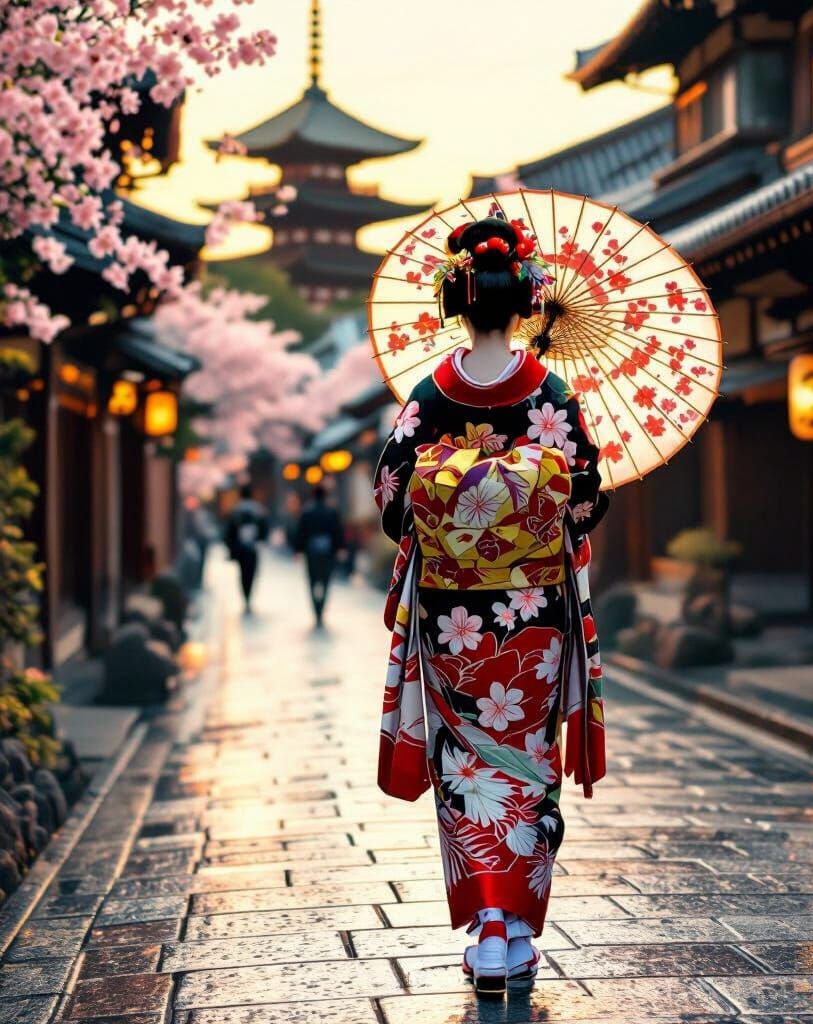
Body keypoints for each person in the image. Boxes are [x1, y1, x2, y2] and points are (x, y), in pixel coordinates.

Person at [373, 216, 609, 996]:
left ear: (455, 301)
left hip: (452, 613)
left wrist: (459, 502)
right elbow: (587, 495)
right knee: (526, 760)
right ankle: (515, 930)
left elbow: (391, 497)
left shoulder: (430, 393)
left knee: (465, 761)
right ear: (527, 305)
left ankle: (485, 929)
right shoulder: (549, 390)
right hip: (533, 611)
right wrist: (522, 500)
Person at [292, 484, 346, 627]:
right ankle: (321, 608)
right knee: (326, 580)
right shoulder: (331, 511)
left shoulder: (307, 512)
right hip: (328, 551)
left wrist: (298, 550)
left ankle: (316, 609)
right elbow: (337, 531)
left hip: (311, 552)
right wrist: (340, 548)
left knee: (312, 580)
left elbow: (301, 532)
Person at [224, 484, 269, 614]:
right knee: (252, 572)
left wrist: (230, 547)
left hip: (240, 547)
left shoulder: (236, 510)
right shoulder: (258, 510)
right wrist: (261, 540)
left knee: (242, 573)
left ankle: (245, 596)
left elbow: (230, 531)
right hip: (253, 546)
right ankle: (249, 596)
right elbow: (264, 528)